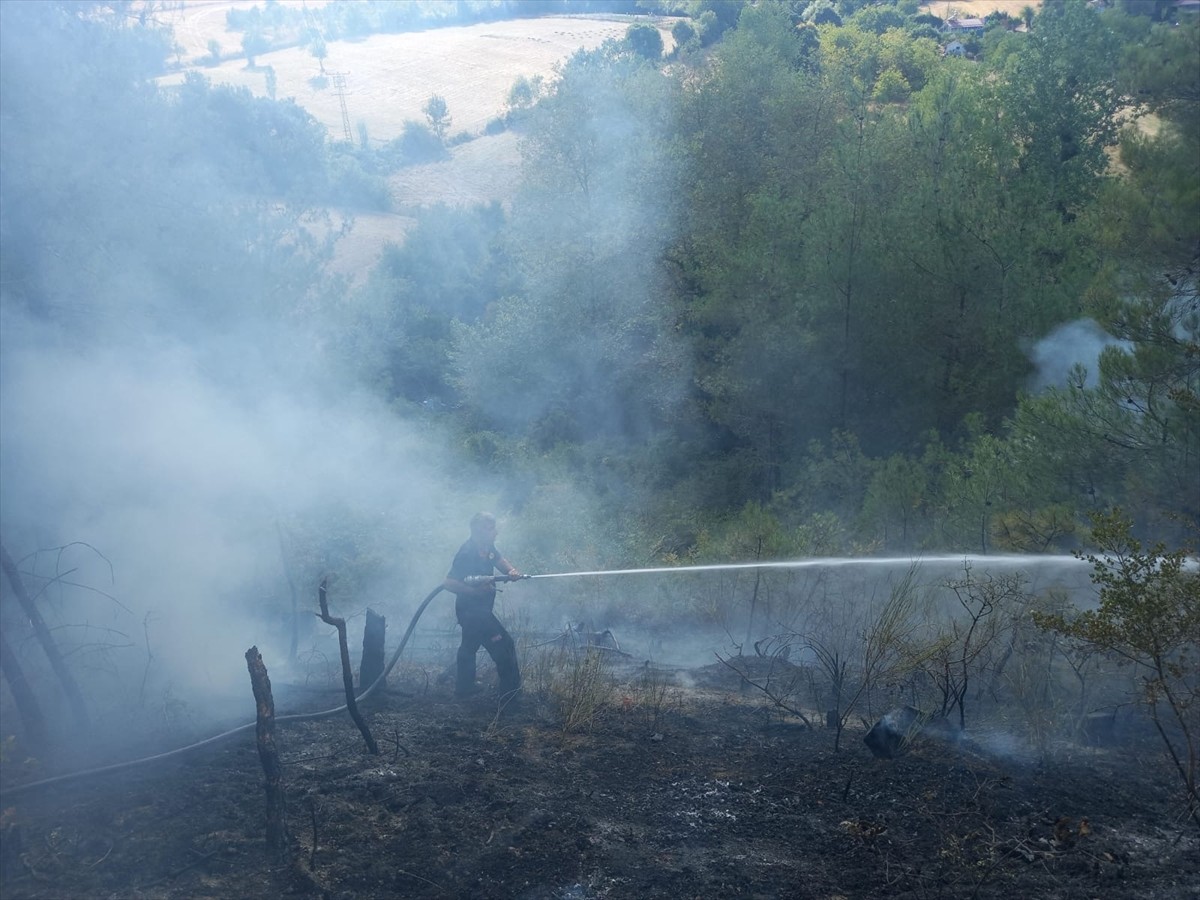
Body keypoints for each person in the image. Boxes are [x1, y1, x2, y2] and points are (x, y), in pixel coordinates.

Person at [443, 512, 523, 700]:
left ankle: (464, 687)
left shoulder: (487, 547)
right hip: (472, 613)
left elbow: (498, 559)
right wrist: (475, 592)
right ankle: (510, 698)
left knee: (469, 646)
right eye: (491, 528)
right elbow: (448, 582)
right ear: (479, 531)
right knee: (505, 646)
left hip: (480, 611)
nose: (495, 532)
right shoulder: (466, 553)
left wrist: (511, 571)